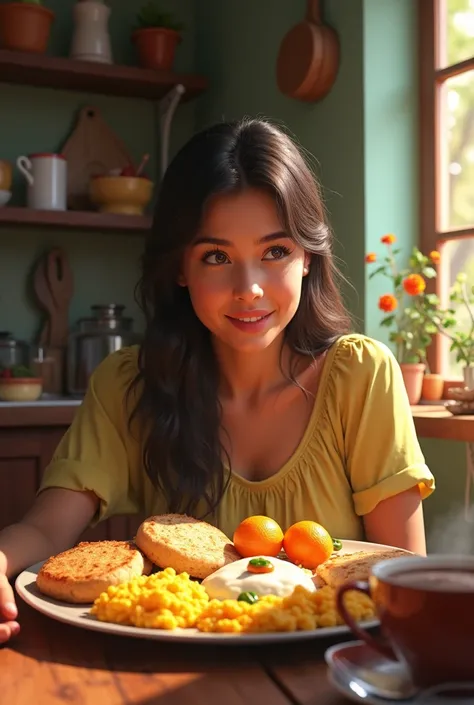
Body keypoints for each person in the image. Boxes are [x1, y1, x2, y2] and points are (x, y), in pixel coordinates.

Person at [0, 118, 435, 643]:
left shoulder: (362, 376)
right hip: (171, 675)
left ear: (307, 258)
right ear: (180, 268)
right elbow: (46, 529)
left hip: (330, 673)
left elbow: (404, 579)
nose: (248, 288)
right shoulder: (127, 384)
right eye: (217, 257)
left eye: (275, 251)